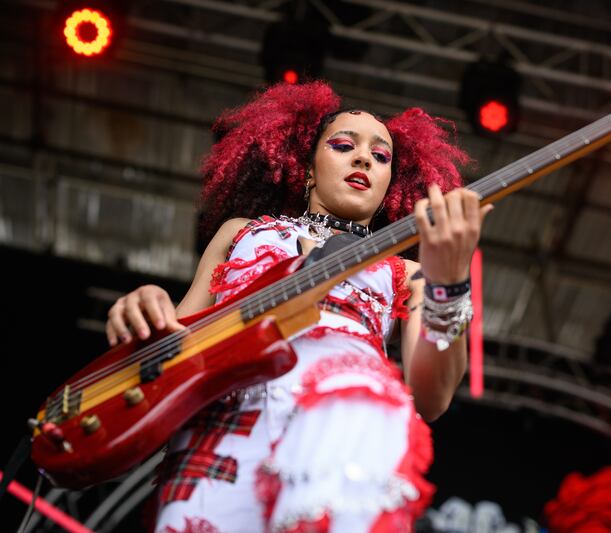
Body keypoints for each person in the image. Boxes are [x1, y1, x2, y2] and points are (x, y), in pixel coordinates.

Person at [104, 81, 490, 533]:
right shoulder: (240, 233)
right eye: (344, 145)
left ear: (389, 186)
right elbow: (179, 343)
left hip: (342, 429)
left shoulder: (405, 272)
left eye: (381, 156)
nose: (363, 158)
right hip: (223, 427)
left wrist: (450, 283)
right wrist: (147, 314)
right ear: (308, 168)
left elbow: (432, 398)